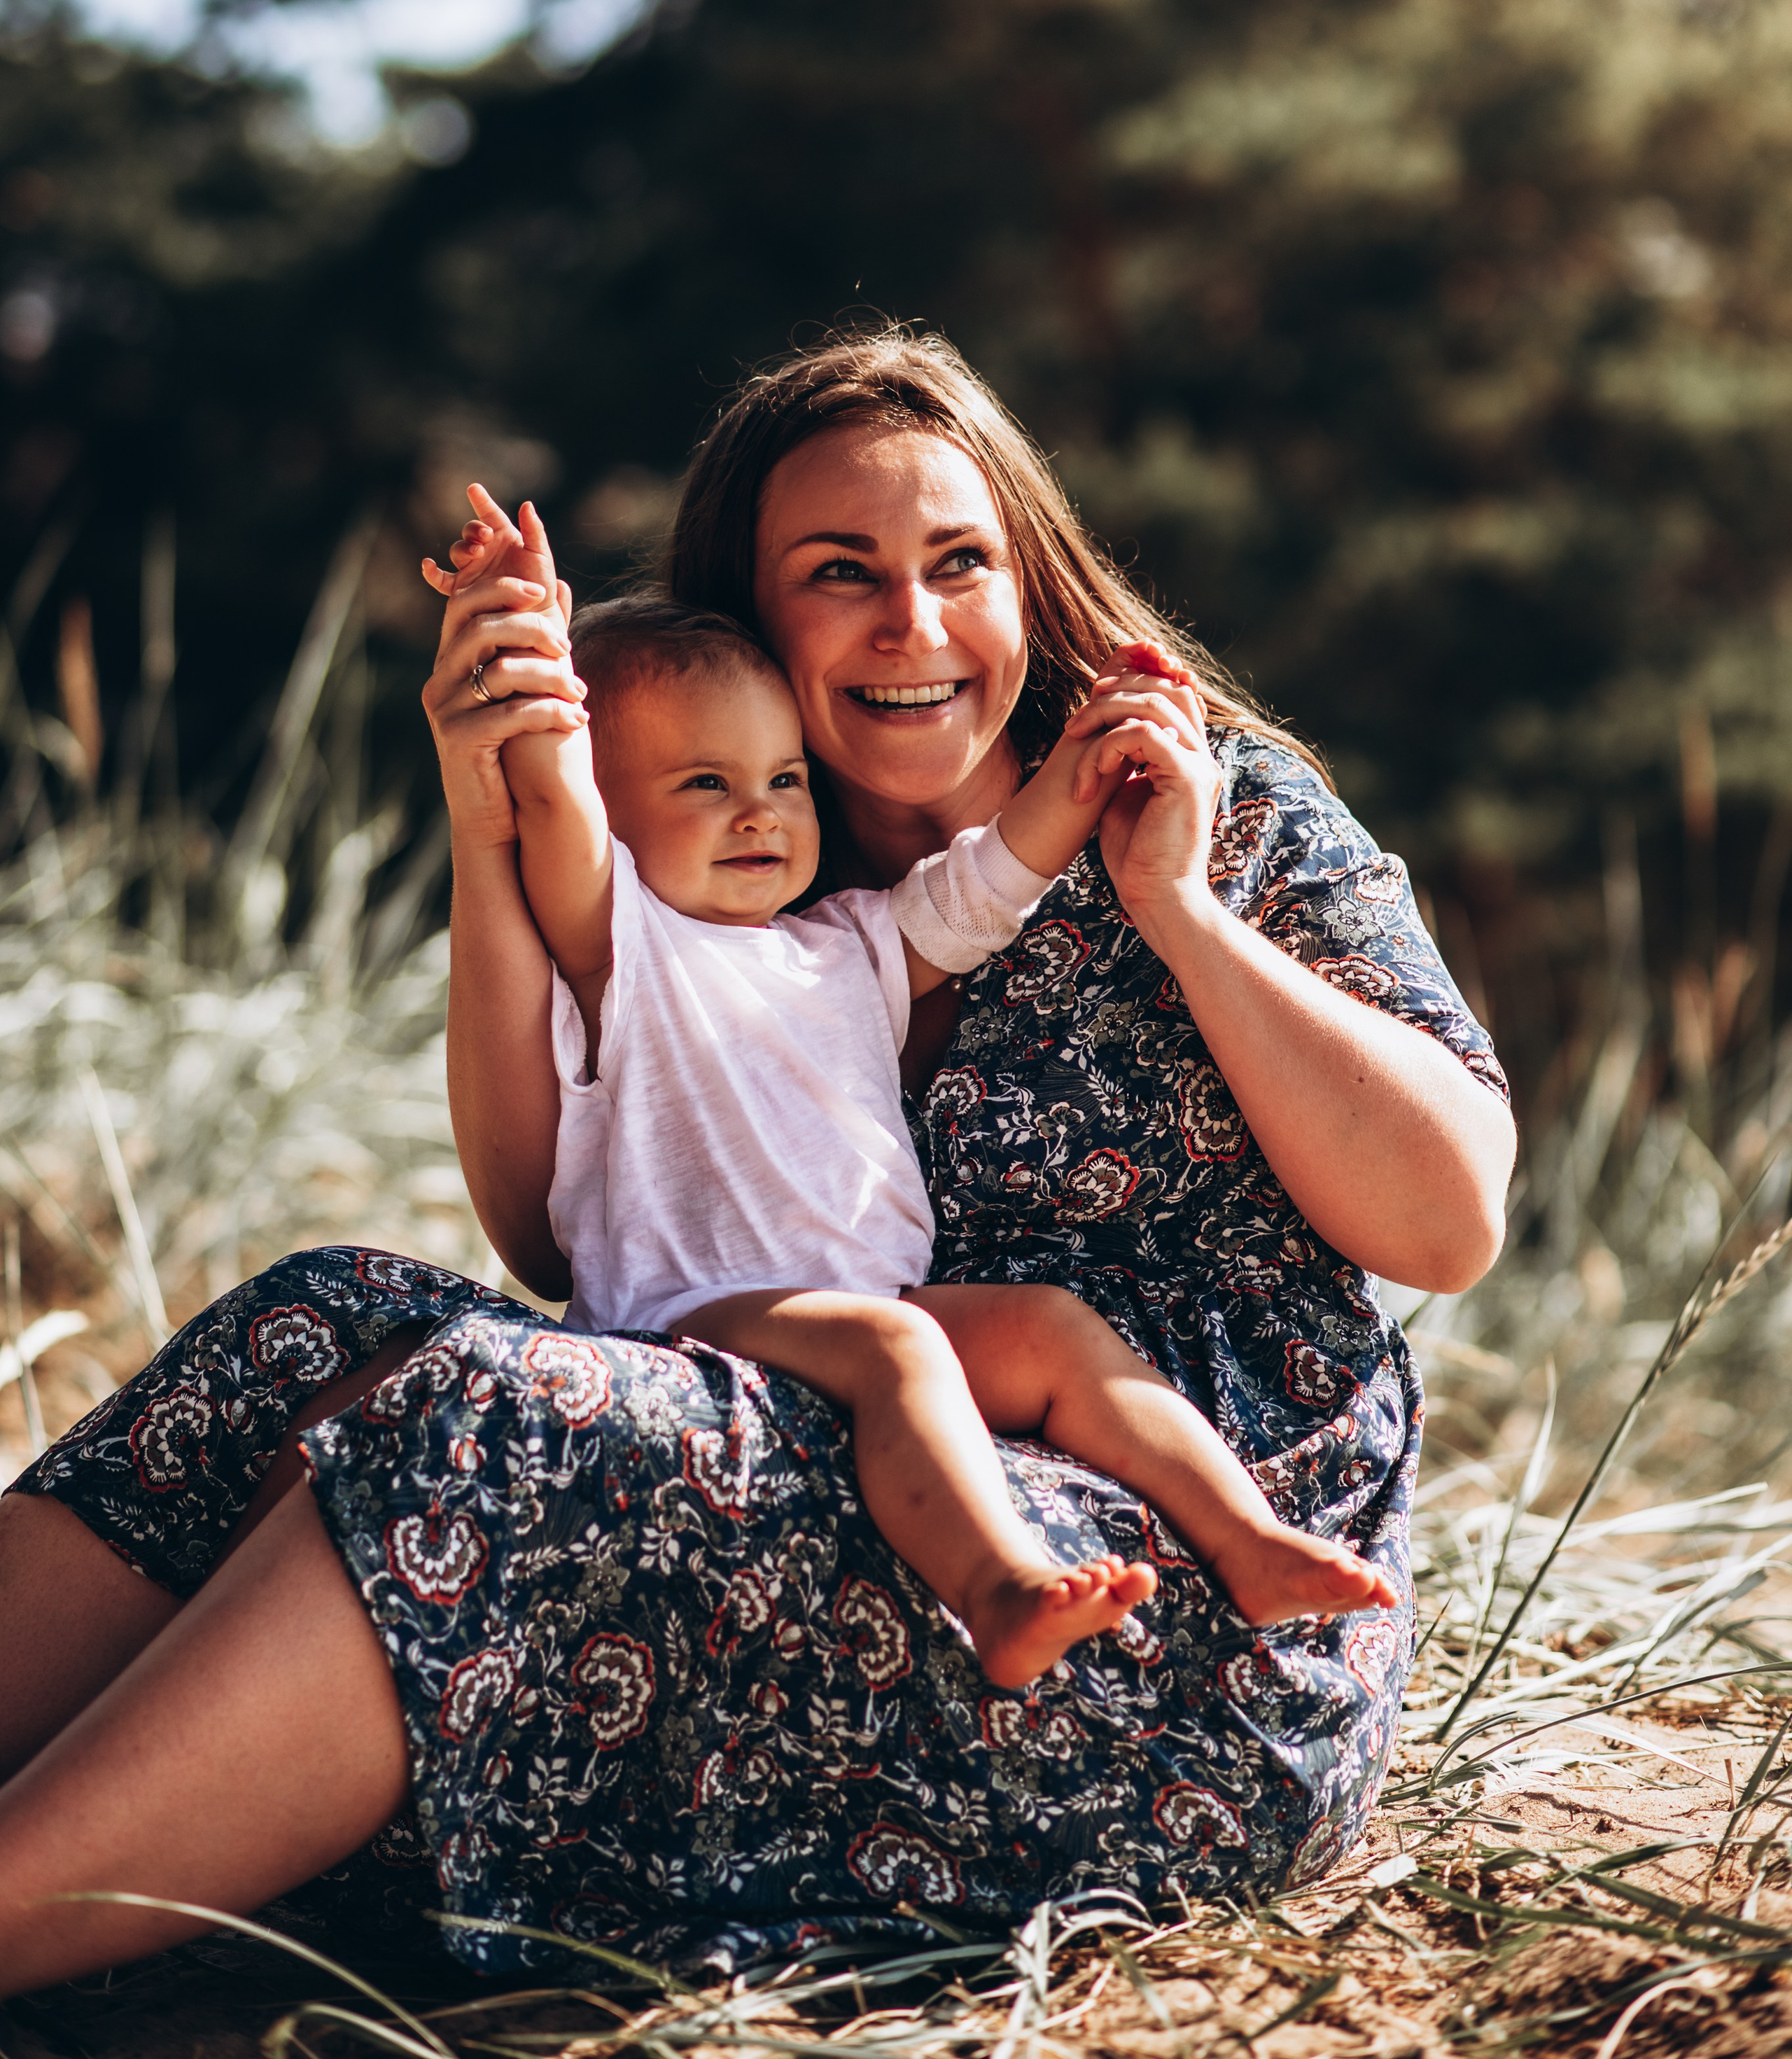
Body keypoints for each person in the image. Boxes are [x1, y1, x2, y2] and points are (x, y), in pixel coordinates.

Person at [0, 330, 1514, 2000]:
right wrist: (491, 815)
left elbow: (1444, 1224)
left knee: (500, 1421)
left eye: (958, 563)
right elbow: (542, 1229)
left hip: (1162, 1592)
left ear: (1029, 578)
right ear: (745, 613)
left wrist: (1180, 914)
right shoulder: (726, 831)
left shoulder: (1201, 798)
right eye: (839, 573)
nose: (911, 626)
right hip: (816, 1450)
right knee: (319, 1320)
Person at [450, 531, 1399, 1680]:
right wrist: (530, 651)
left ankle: (1249, 1539)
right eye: (706, 782)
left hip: (865, 1309)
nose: (759, 812)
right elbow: (552, 799)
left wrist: (1082, 769)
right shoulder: (622, 947)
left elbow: (986, 885)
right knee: (900, 1345)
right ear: (611, 815)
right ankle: (1002, 1589)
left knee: (1045, 1328)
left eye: (782, 779)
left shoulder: (847, 943)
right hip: (691, 1320)